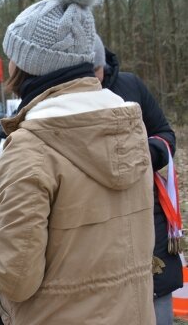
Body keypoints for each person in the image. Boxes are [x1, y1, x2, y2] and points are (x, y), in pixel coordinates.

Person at [0, 0, 155, 324]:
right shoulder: (129, 128)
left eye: (12, 54)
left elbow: (15, 277)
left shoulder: (30, 148)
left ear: (28, 65)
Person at [94, 35, 180, 325]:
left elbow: (167, 135)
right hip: (95, 215)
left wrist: (143, 151)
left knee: (158, 292)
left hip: (146, 207)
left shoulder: (130, 84)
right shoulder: (60, 96)